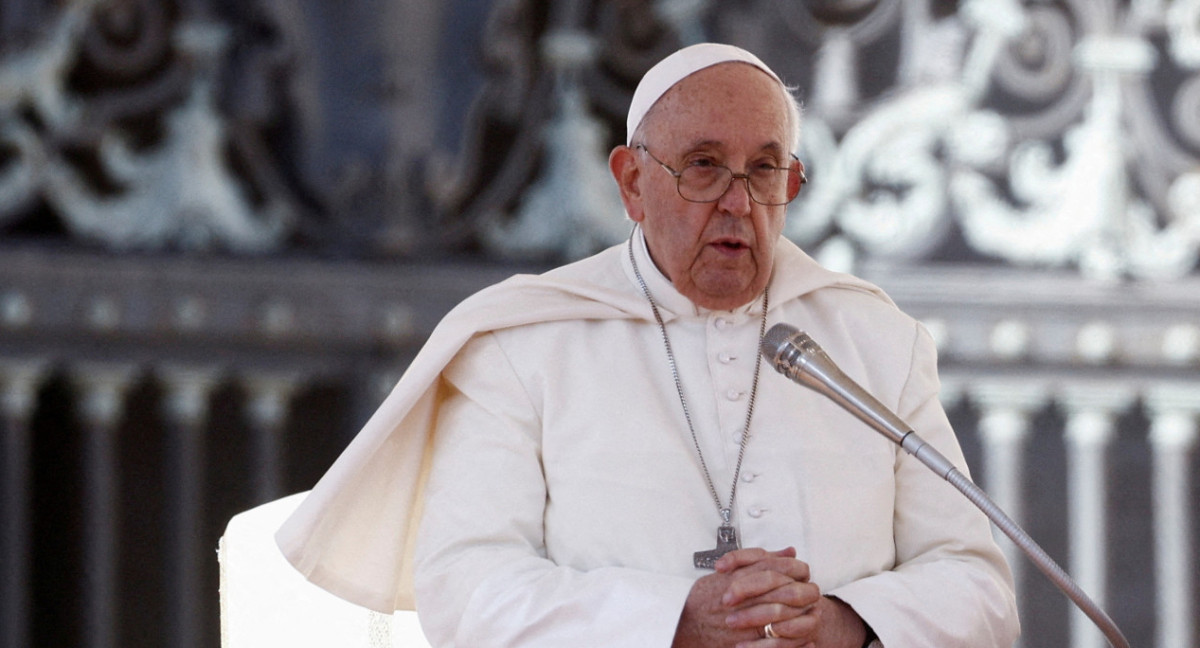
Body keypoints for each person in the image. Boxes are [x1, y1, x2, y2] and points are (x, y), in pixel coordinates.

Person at [276, 43, 1020, 647]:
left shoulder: (871, 341)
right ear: (632, 183)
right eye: (703, 167)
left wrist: (843, 623)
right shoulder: (526, 341)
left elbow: (977, 587)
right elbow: (468, 589)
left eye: (764, 170)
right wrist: (672, 621)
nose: (739, 203)